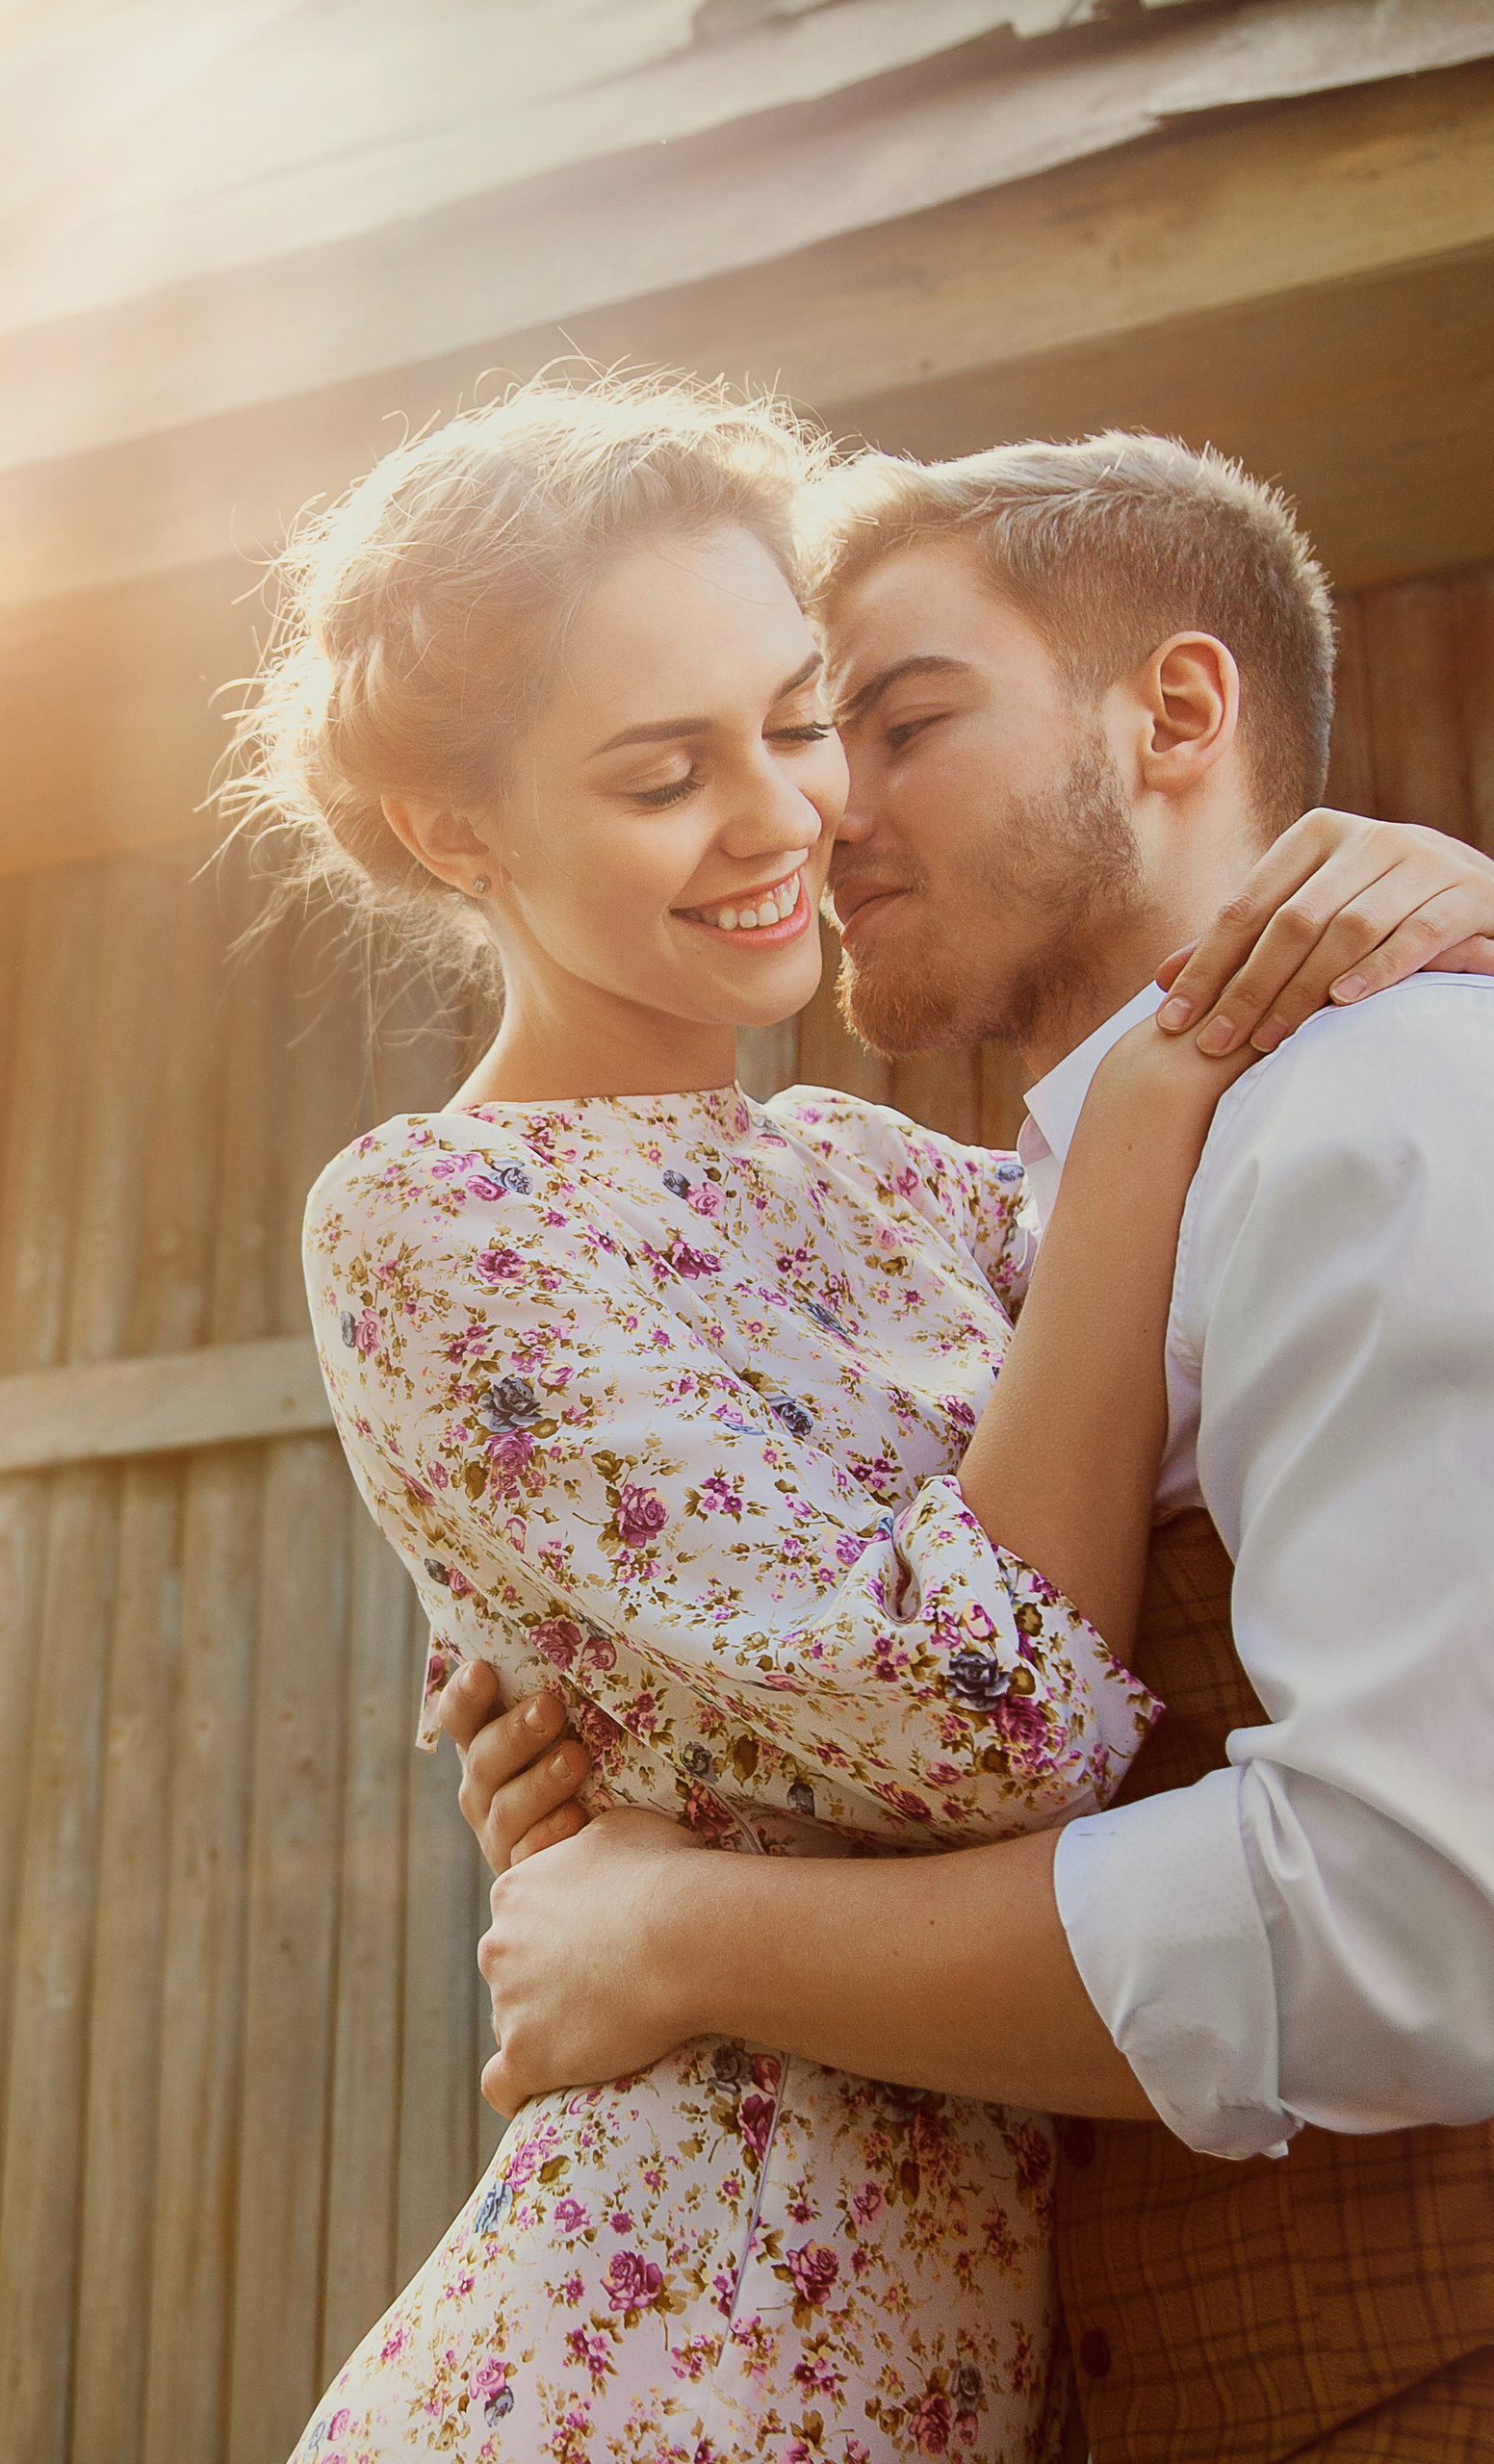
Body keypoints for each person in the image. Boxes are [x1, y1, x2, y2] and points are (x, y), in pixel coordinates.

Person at [235, 378, 1494, 2464]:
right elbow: (982, 1708)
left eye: (823, 720)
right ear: (459, 830)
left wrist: (674, 1898)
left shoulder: (918, 1178)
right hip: (691, 2353)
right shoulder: (437, 1212)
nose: (805, 814)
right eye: (665, 766)